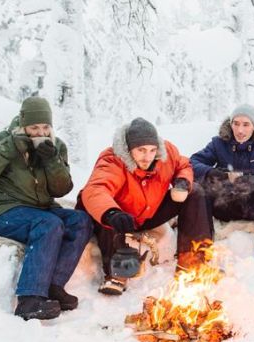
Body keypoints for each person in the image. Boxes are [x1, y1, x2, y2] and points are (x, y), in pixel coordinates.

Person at [0, 97, 92, 321]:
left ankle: (53, 286)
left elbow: (62, 189)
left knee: (80, 220)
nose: (40, 132)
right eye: (34, 127)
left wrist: (52, 160)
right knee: (48, 223)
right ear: (23, 124)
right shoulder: (1, 141)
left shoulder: (56, 145)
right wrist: (10, 148)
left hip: (42, 207)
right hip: (5, 209)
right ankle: (29, 299)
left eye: (45, 127)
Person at [78, 118, 213, 295]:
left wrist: (181, 182)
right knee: (108, 215)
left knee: (194, 191)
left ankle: (193, 265)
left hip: (148, 212)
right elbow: (97, 189)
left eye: (151, 150)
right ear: (128, 149)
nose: (147, 157)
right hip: (117, 216)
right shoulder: (112, 160)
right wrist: (112, 213)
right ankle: (116, 275)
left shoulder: (166, 153)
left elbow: (183, 164)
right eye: (141, 150)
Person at [190, 104, 254, 271]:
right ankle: (202, 248)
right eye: (236, 123)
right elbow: (192, 163)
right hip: (225, 203)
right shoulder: (219, 144)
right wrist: (216, 174)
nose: (240, 130)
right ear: (230, 124)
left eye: (246, 124)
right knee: (199, 189)